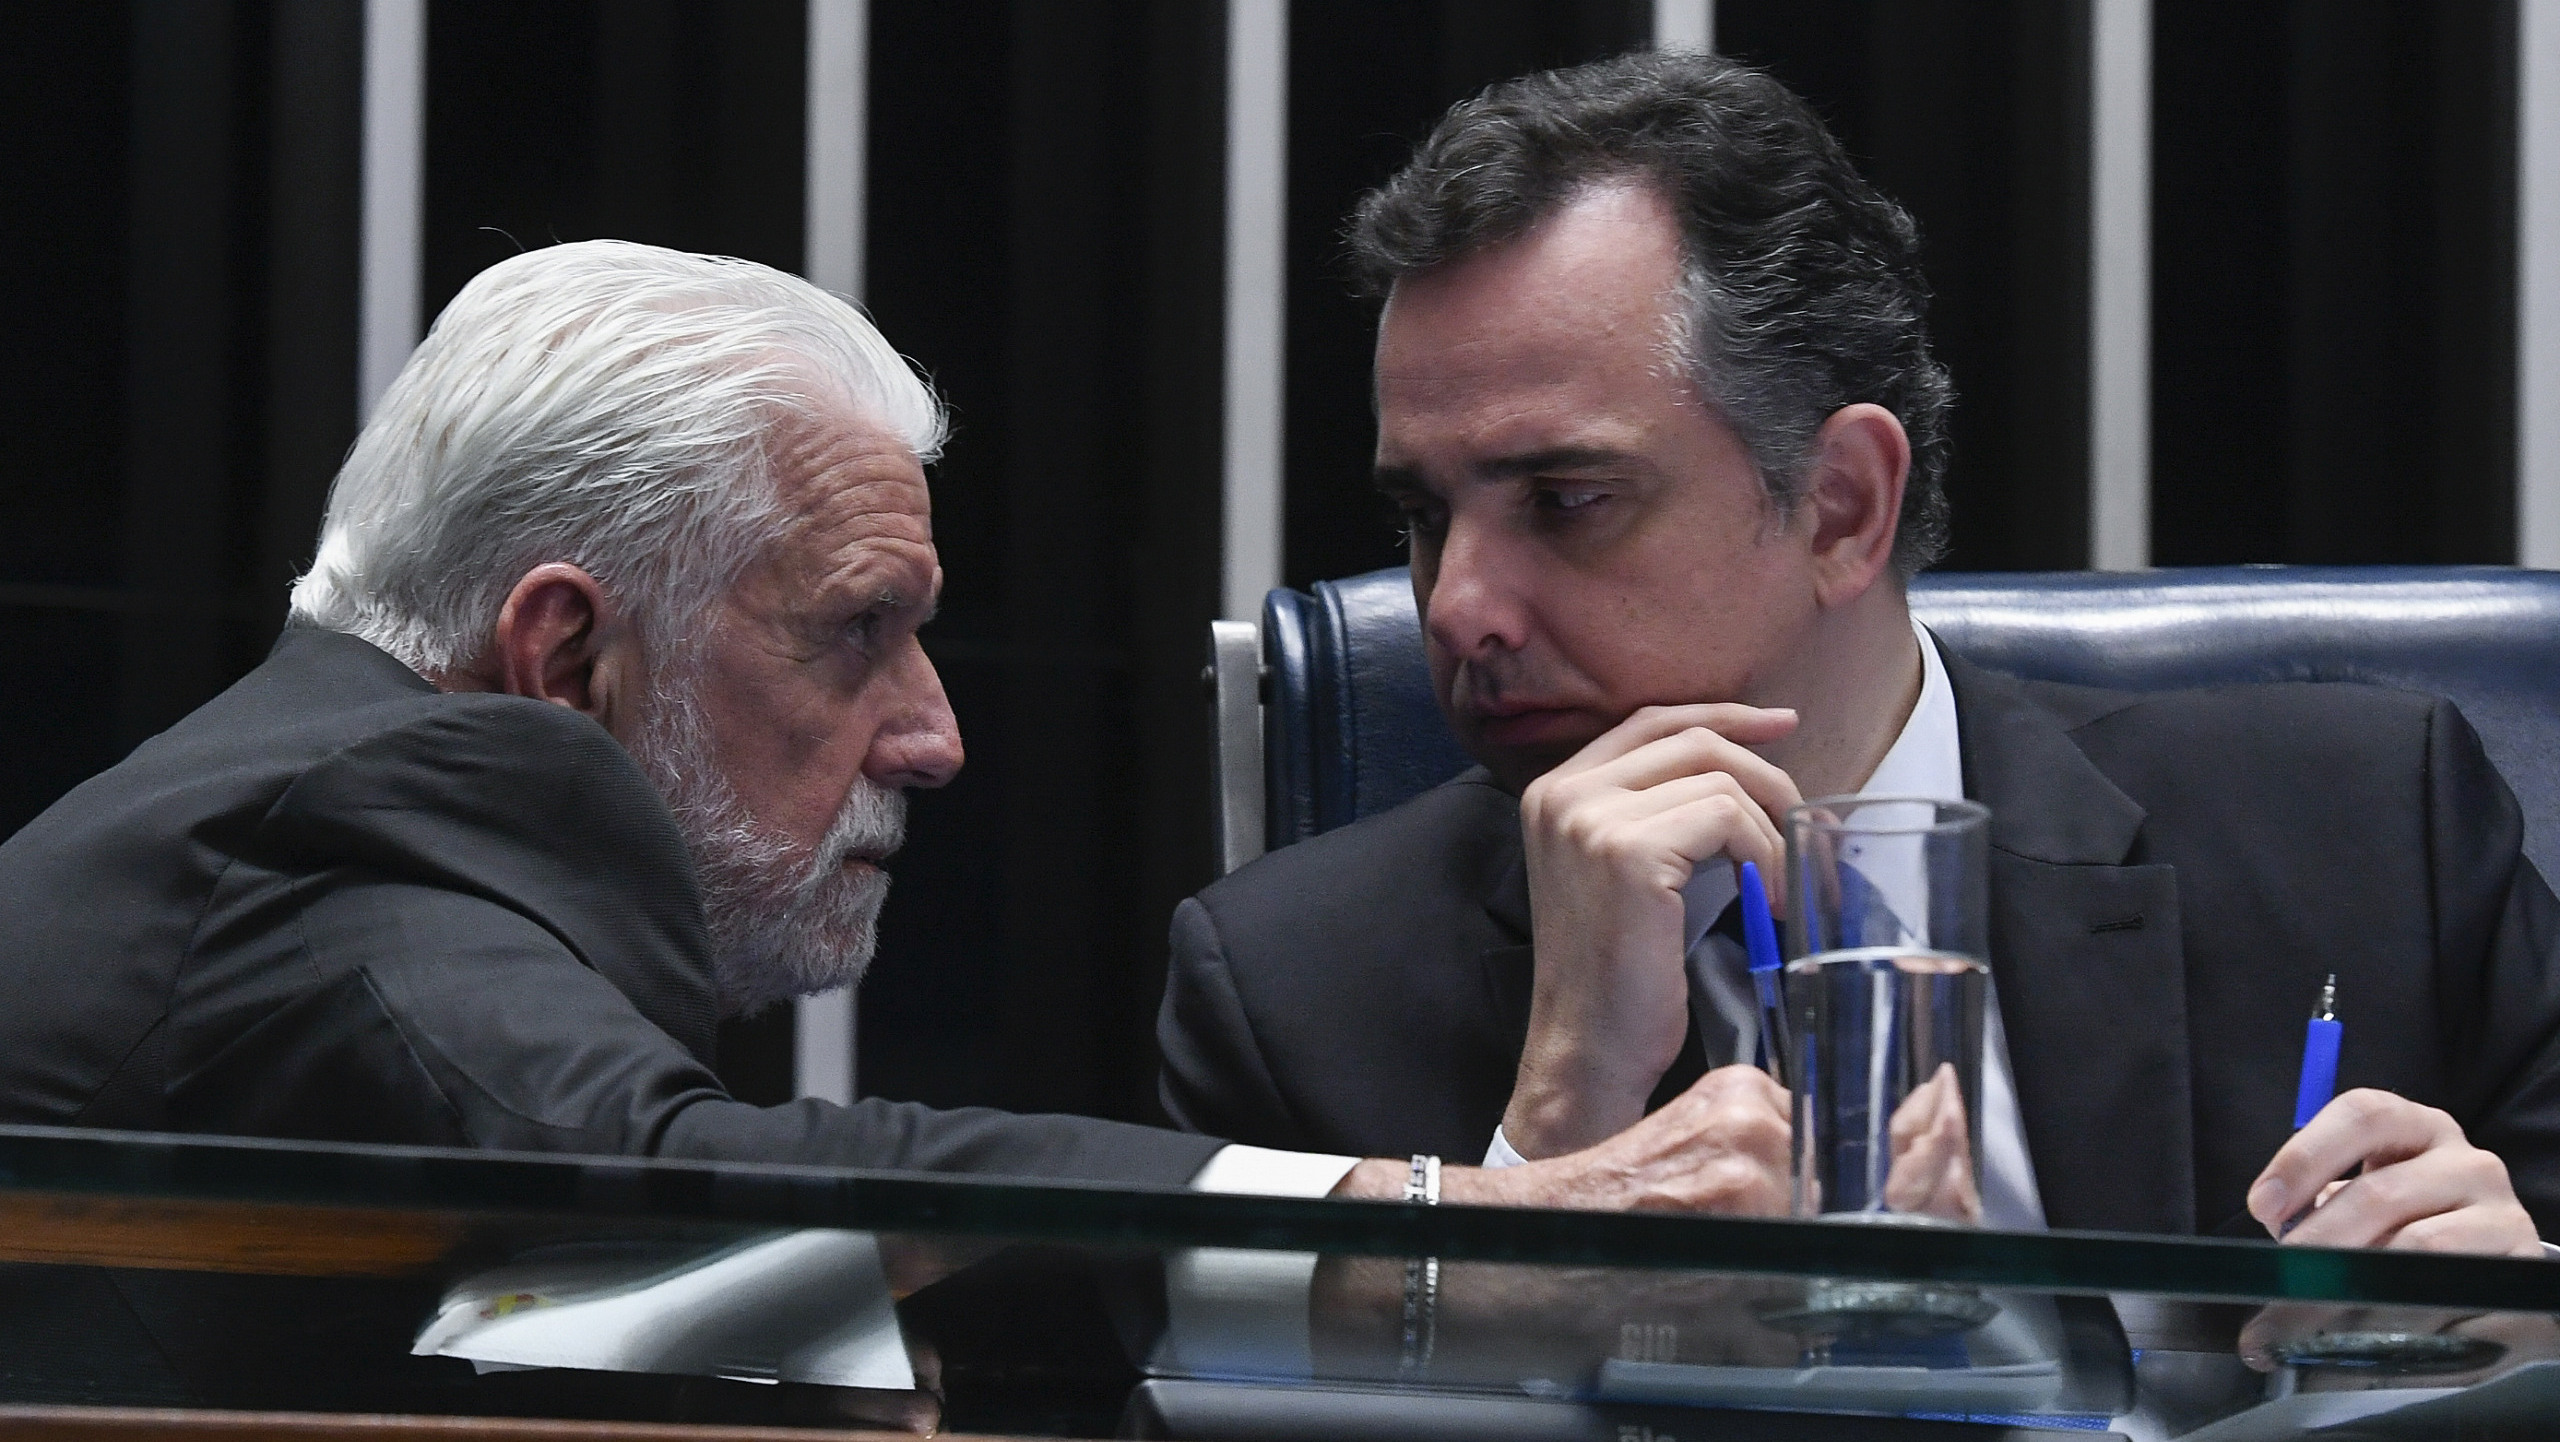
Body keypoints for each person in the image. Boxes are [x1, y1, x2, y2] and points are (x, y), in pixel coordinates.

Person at [0, 238, 1779, 1214]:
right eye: (857, 634)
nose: (931, 738)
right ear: (565, 654)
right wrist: (1467, 1221)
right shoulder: (353, 836)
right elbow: (684, 1191)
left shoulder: (334, 786)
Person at [1157, 51, 2560, 1255]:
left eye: (1564, 502)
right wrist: (1554, 1134)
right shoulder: (1294, 992)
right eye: (1421, 514)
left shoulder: (2369, 838)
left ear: (1841, 506)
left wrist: (2514, 1318)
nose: (1455, 604)